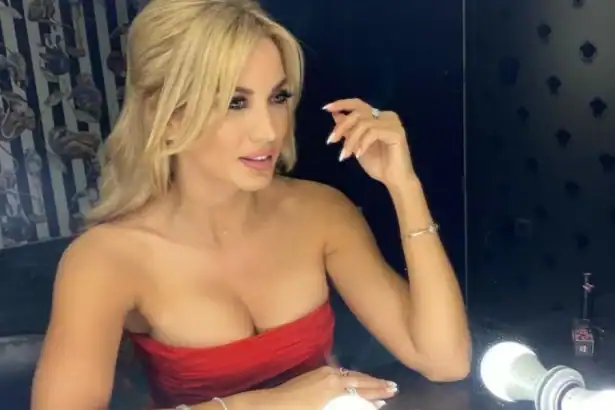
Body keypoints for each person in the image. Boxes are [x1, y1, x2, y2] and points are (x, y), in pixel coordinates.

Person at [31, 0, 471, 409]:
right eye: (234, 102)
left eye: (278, 97)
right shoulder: (105, 260)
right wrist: (267, 404)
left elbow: (446, 361)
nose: (268, 131)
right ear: (168, 118)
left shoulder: (320, 213)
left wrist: (403, 185)